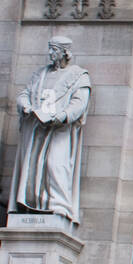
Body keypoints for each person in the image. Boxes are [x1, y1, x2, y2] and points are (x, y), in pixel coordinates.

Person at [10, 37, 91, 226]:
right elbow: (25, 93)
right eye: (50, 49)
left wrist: (62, 116)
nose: (50, 54)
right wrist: (26, 105)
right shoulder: (40, 74)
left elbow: (79, 103)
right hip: (36, 129)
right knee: (32, 167)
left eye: (54, 50)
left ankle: (58, 205)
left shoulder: (79, 76)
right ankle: (30, 205)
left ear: (65, 53)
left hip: (59, 130)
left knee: (56, 164)